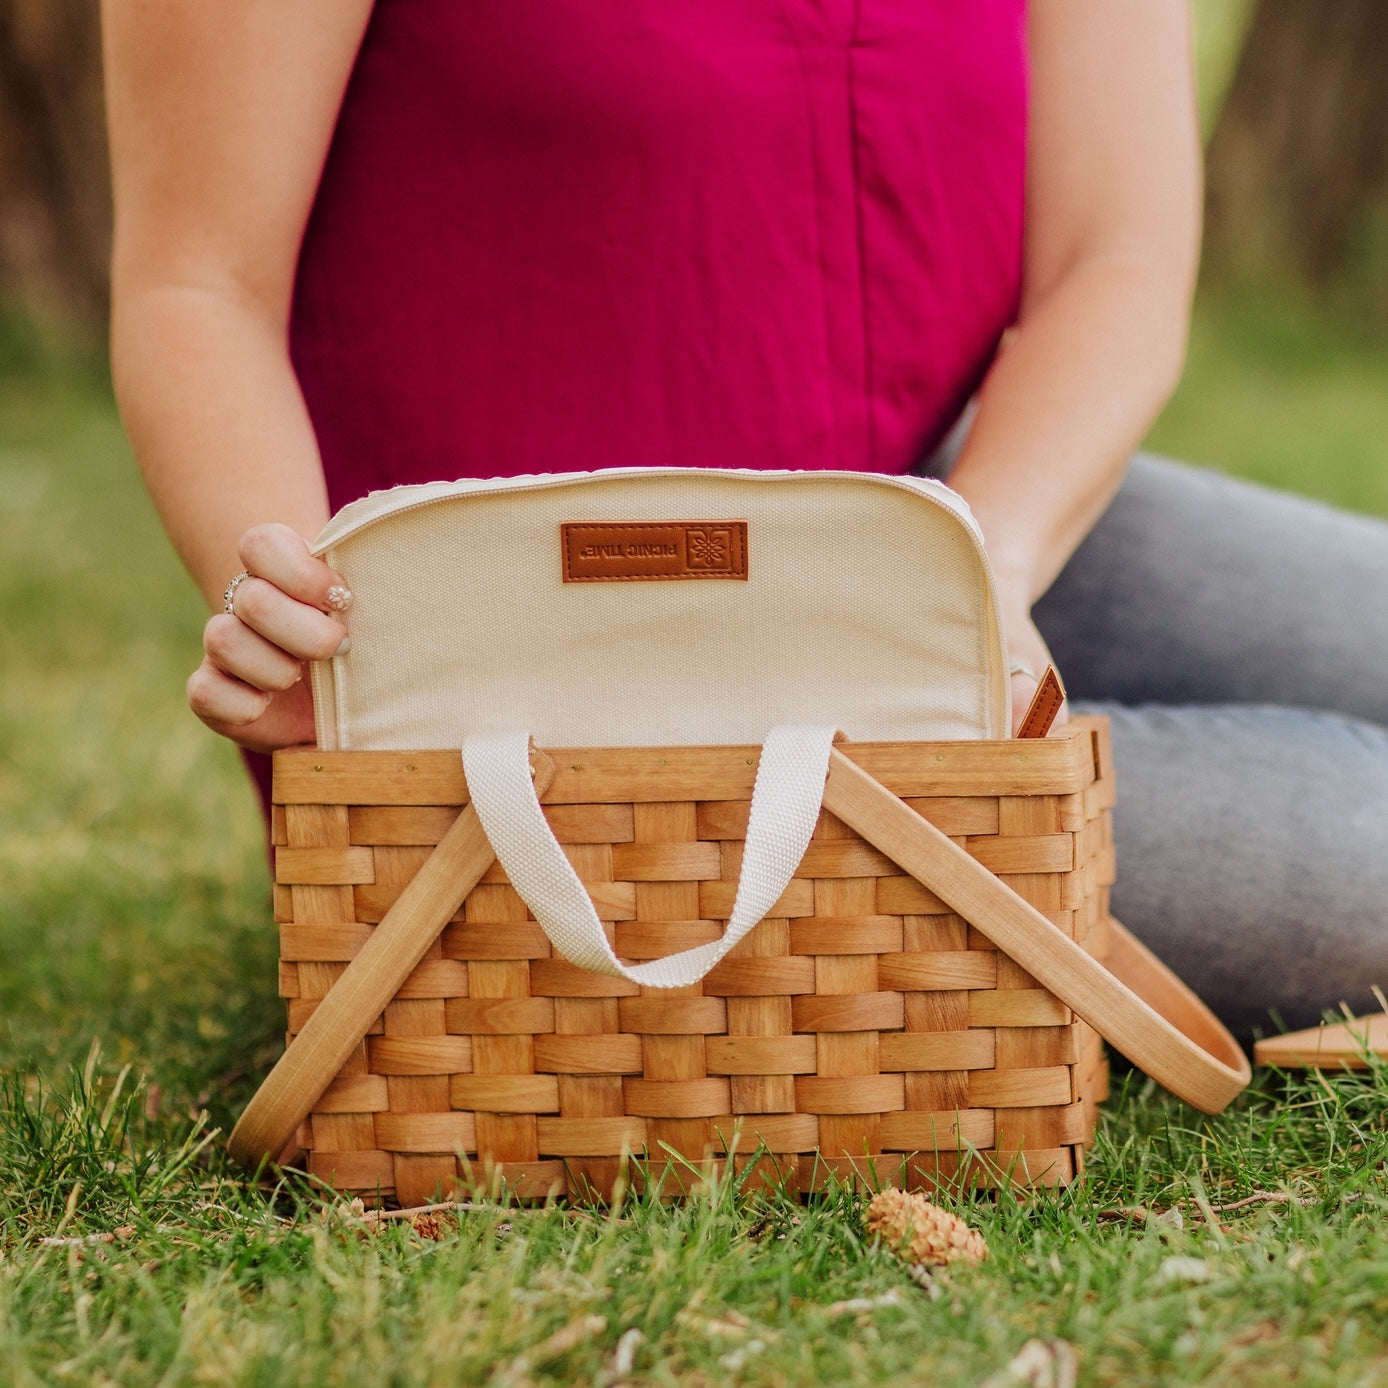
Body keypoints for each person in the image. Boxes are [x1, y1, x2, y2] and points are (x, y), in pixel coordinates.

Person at [102, 1, 1388, 1038]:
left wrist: (976, 579)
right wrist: (321, 648)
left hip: (936, 510)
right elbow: (195, 281)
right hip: (545, 662)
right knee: (1357, 854)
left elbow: (1111, 259)